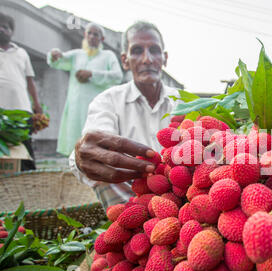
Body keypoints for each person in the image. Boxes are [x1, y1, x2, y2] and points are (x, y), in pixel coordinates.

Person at [70, 21, 180, 209]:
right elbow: (94, 144)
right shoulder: (106, 101)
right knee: (101, 164)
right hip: (130, 204)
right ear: (124, 60)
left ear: (165, 58)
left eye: (154, 50)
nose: (147, 59)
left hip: (183, 197)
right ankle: (132, 226)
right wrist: (83, 156)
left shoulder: (184, 103)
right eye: (137, 50)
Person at [47, 22, 123, 156]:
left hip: (98, 107)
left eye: (96, 34)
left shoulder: (108, 55)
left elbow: (117, 76)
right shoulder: (77, 54)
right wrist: (54, 54)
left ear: (102, 39)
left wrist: (92, 74)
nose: (92, 36)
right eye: (90, 33)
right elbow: (58, 61)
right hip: (75, 108)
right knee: (75, 143)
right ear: (85, 35)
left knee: (96, 141)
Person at [0, 12, 42, 171]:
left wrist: (37, 105)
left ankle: (28, 182)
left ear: (11, 31)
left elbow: (30, 81)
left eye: (5, 27)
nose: (1, 29)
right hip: (0, 112)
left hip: (22, 110)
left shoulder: (22, 53)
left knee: (25, 148)